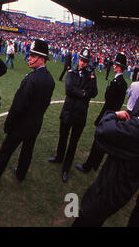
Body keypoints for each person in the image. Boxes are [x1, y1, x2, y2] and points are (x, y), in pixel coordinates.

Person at [72, 84, 139, 227]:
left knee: (87, 218)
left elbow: (103, 131)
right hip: (124, 184)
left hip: (111, 187)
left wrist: (112, 115)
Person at [0, 39, 55, 185]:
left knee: (5, 151)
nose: (29, 58)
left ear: (42, 59)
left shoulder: (31, 79)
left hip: (20, 125)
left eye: (33, 56)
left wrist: (9, 124)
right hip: (36, 123)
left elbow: (18, 106)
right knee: (27, 151)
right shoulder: (50, 79)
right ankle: (20, 174)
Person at [48, 48, 98, 182]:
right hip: (68, 111)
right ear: (78, 59)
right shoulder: (71, 72)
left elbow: (94, 93)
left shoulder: (91, 76)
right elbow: (69, 89)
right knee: (63, 137)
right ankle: (59, 157)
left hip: (80, 115)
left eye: (85, 61)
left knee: (73, 144)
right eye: (81, 60)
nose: (83, 63)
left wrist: (92, 77)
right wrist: (83, 93)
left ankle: (66, 169)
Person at [76, 53, 128, 173]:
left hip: (108, 113)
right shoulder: (122, 82)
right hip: (113, 113)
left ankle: (88, 166)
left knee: (98, 140)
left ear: (119, 67)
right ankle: (94, 164)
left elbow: (108, 99)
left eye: (115, 64)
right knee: (103, 140)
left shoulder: (117, 81)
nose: (113, 66)